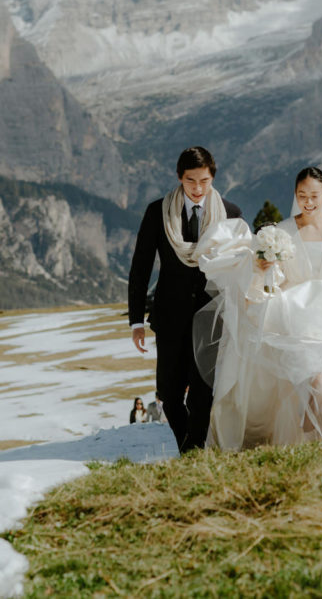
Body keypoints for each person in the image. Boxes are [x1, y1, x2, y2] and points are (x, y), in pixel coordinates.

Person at [195, 166, 322, 450]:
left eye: (315, 195)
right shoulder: (283, 232)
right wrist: (264, 268)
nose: (308, 201)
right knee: (317, 382)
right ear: (295, 195)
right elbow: (271, 284)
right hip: (297, 322)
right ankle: (321, 444)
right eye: (302, 195)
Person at [127, 146, 242, 453]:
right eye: (191, 180)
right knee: (168, 392)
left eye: (204, 180)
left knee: (202, 392)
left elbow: (240, 266)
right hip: (169, 315)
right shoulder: (157, 212)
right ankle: (190, 446)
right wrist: (136, 321)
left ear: (212, 178)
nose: (197, 188)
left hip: (211, 314)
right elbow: (140, 267)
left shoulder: (230, 213)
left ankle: (192, 453)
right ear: (180, 178)